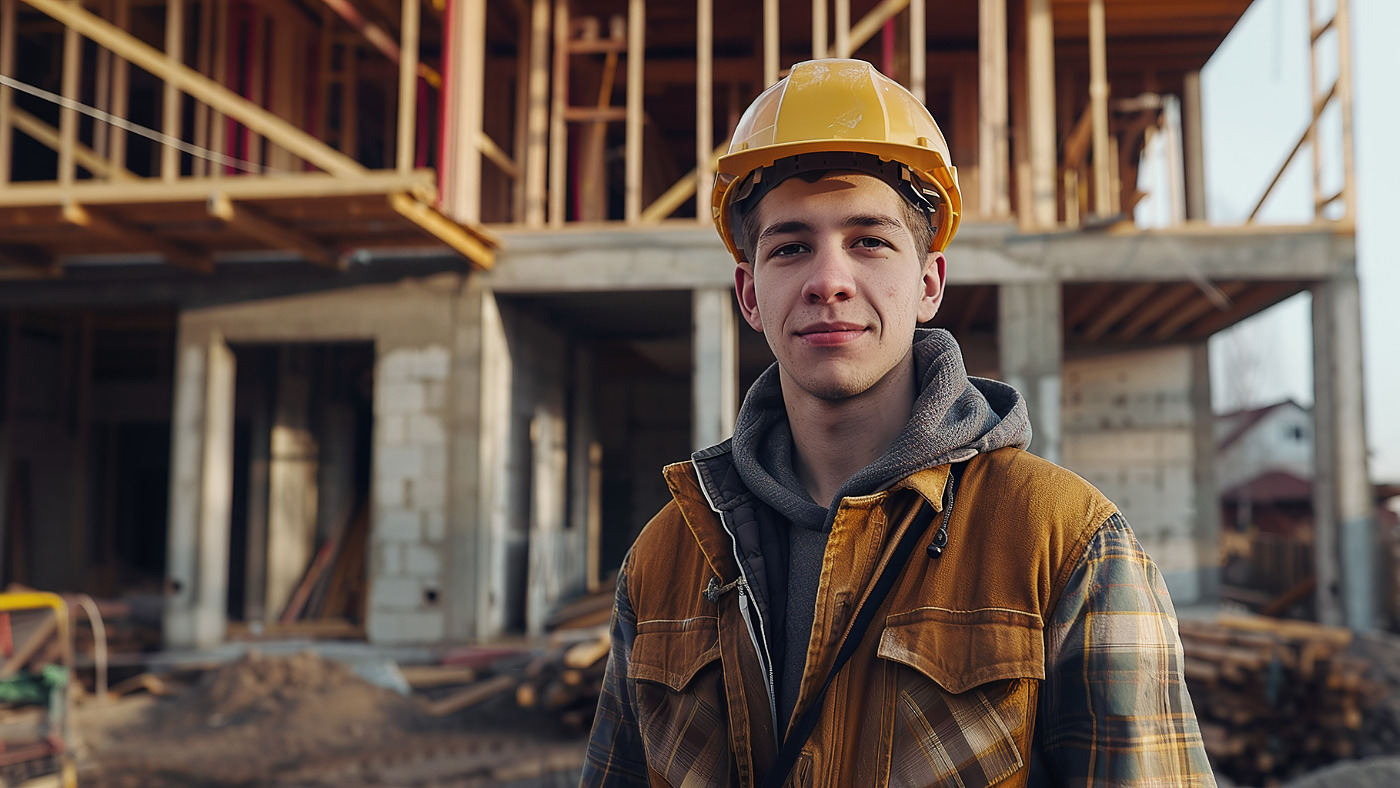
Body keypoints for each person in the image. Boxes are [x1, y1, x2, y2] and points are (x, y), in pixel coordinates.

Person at [580, 58, 1215, 788]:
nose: (829, 280)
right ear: (750, 295)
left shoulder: (1066, 545)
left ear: (929, 283)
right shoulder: (664, 562)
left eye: (870, 240)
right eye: (790, 247)